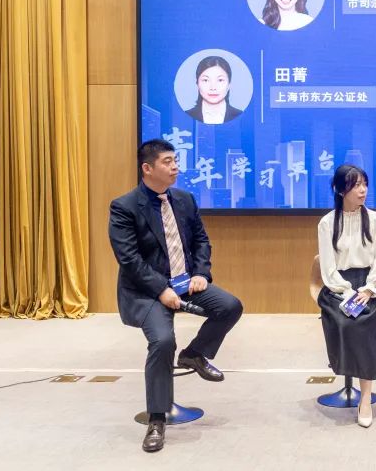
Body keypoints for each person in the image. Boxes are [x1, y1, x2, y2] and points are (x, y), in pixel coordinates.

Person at [108, 139, 243, 453]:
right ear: (147, 168)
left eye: (175, 160)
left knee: (230, 306)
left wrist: (201, 273)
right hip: (146, 291)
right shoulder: (124, 206)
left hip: (186, 282)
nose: (175, 167)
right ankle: (157, 418)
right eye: (167, 162)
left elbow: (201, 241)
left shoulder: (184, 199)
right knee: (163, 340)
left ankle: (194, 354)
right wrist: (161, 289)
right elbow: (129, 259)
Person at [317, 164, 376, 429]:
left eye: (364, 184)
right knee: (348, 323)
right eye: (356, 185)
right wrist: (348, 292)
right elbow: (328, 268)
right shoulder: (327, 223)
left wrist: (369, 289)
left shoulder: (375, 219)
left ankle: (366, 399)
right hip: (339, 288)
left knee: (366, 325)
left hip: (369, 286)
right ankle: (346, 373)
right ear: (340, 190)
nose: (363, 190)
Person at [185, 56, 242, 124]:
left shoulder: (242, 116)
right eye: (206, 80)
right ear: (197, 84)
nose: (213, 87)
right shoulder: (185, 116)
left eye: (220, 80)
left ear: (229, 84)